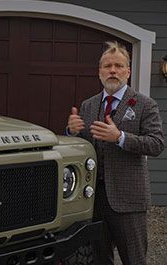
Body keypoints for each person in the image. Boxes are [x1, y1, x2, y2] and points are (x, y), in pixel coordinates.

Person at [66, 41, 164, 265]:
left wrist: (120, 137)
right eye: (107, 66)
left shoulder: (144, 104)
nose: (113, 70)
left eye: (119, 66)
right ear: (99, 72)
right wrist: (72, 132)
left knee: (134, 259)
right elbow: (83, 147)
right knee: (98, 259)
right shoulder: (88, 105)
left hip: (128, 201)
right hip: (93, 201)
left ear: (128, 72)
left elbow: (156, 144)